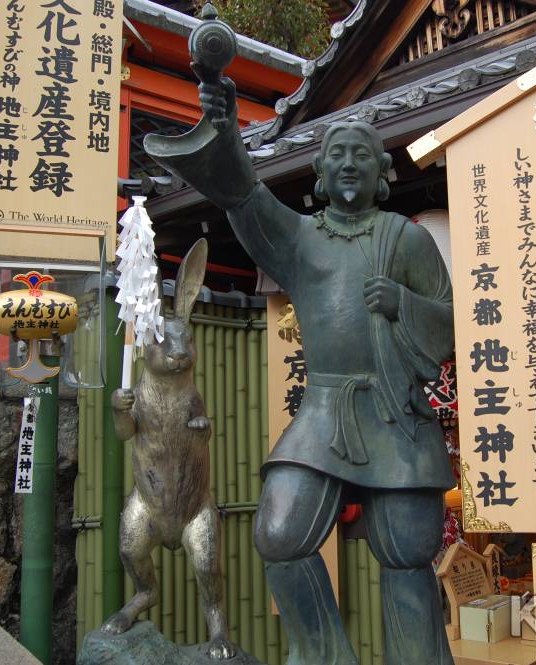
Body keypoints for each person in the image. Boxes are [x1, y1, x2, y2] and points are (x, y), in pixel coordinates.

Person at [147, 72, 456, 665]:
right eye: (337, 154)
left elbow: (449, 323)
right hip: (324, 412)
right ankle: (321, 657)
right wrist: (224, 126)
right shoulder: (299, 237)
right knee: (280, 534)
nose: (349, 164)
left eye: (361, 155)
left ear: (382, 173)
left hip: (396, 414)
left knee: (409, 549)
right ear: (319, 172)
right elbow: (244, 197)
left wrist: (403, 303)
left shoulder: (407, 240)